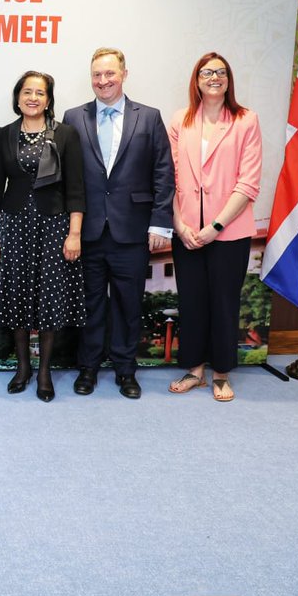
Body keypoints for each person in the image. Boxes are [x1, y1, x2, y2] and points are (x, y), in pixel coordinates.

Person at [62, 47, 174, 399]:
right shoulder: (74, 117)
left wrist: (160, 223)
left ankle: (126, 370)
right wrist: (70, 228)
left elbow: (163, 171)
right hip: (89, 230)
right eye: (96, 75)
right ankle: (89, 368)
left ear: (124, 73)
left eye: (109, 73)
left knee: (128, 304)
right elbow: (68, 177)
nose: (103, 81)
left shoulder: (149, 117)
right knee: (91, 304)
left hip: (133, 230)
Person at [0, 71, 86, 402]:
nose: (32, 98)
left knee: (49, 298)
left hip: (54, 226)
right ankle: (23, 368)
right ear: (17, 98)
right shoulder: (4, 135)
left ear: (48, 99)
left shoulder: (66, 135)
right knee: (16, 296)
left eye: (40, 93)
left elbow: (76, 190)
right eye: (27, 92)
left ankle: (44, 372)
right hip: (12, 226)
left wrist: (74, 233)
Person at [167, 53, 262, 402]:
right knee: (191, 301)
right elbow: (170, 177)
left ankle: (221, 373)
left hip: (229, 232)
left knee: (224, 302)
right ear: (196, 80)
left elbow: (248, 183)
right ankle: (195, 370)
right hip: (187, 231)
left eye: (220, 72)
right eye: (207, 72)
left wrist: (216, 226)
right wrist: (179, 224)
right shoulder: (181, 120)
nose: (214, 77)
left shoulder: (245, 120)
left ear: (228, 80)